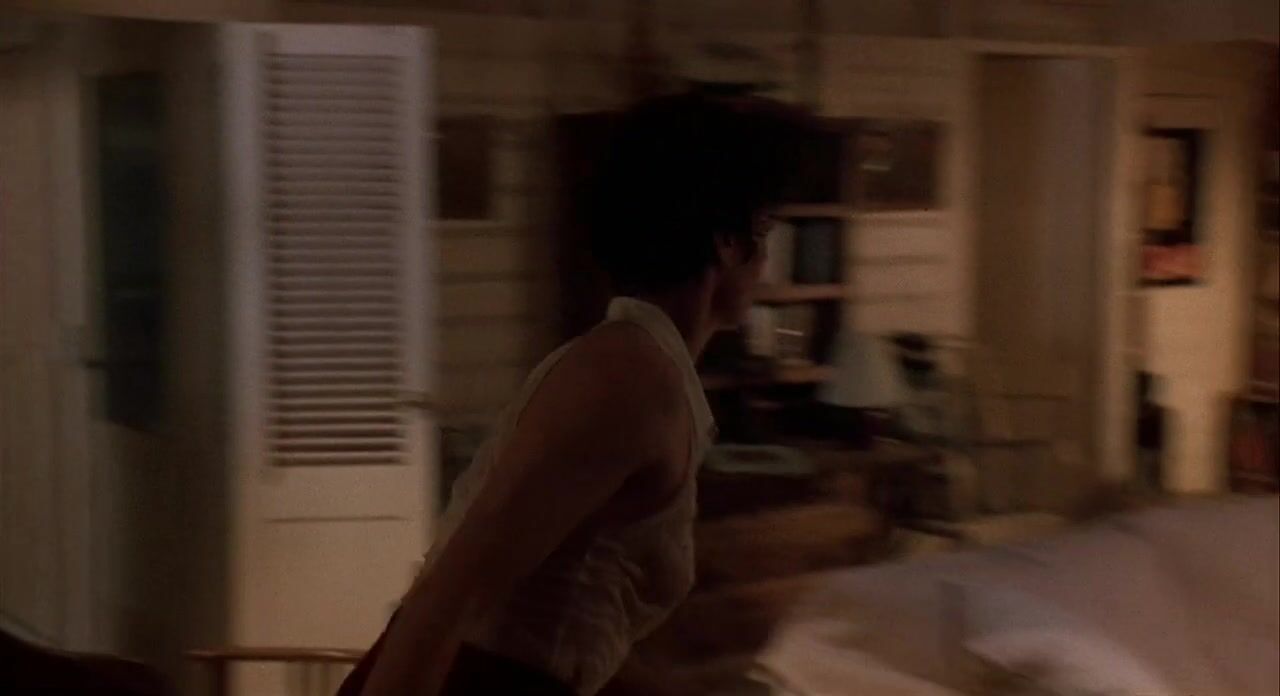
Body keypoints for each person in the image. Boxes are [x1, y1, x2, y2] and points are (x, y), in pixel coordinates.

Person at [339, 91, 807, 696]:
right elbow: (451, 591)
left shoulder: (652, 372)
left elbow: (577, 622)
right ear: (727, 241)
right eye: (763, 229)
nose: (766, 259)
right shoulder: (626, 378)